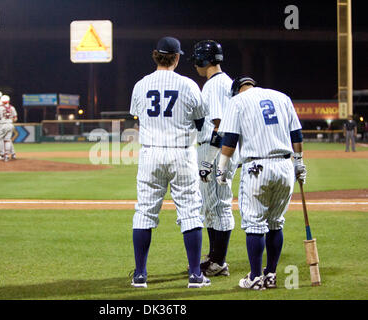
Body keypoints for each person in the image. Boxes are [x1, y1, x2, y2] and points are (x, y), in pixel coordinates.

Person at [130, 36, 210, 288]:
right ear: (176, 58)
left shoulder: (141, 84)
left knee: (144, 212)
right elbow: (201, 123)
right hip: (182, 153)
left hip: (150, 152)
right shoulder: (188, 85)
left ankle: (140, 274)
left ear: (156, 55)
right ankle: (195, 274)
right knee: (190, 212)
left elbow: (138, 118)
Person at [217, 76, 306, 290]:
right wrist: (300, 162)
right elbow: (296, 133)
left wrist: (222, 167)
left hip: (257, 167)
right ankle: (271, 275)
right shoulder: (281, 97)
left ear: (237, 90)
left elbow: (230, 139)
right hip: (285, 167)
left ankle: (255, 277)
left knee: (255, 224)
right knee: (276, 222)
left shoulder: (237, 101)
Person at [190, 40, 238, 277]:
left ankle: (219, 262)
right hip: (217, 150)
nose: (195, 65)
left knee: (220, 205)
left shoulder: (215, 85)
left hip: (217, 150)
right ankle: (213, 257)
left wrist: (209, 159)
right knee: (212, 205)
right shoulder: (221, 82)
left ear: (204, 60)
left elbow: (221, 125)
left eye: (197, 60)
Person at [0, 95, 17, 161]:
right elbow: (15, 118)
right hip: (10, 125)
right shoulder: (12, 108)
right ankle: (6, 156)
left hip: (2, 125)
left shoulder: (0, 107)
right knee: (7, 140)